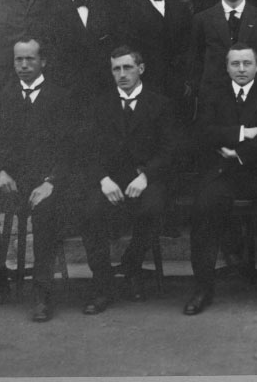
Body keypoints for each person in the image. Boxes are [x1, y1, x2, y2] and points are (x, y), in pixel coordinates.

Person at [0, 36, 77, 322]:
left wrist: (51, 181)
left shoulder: (61, 97)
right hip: (11, 180)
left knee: (45, 213)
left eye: (30, 59)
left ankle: (42, 293)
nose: (24, 65)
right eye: (19, 59)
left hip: (45, 181)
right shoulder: (4, 94)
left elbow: (70, 148)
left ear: (43, 61)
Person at [184, 44, 257, 317]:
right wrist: (244, 132)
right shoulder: (212, 96)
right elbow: (203, 133)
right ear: (227, 67)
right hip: (223, 173)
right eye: (235, 64)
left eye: (247, 63)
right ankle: (203, 287)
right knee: (203, 206)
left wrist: (238, 152)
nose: (242, 69)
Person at [78, 46, 179, 314]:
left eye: (127, 68)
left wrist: (147, 176)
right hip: (109, 180)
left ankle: (132, 265)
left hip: (145, 177)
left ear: (141, 69)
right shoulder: (99, 104)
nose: (122, 74)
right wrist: (102, 179)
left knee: (154, 208)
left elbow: (170, 150)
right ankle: (103, 284)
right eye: (116, 69)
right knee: (89, 211)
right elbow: (87, 149)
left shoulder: (160, 104)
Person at [118, 0, 193, 106]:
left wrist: (186, 80)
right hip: (146, 84)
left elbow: (189, 47)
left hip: (177, 87)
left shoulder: (180, 7)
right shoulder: (129, 8)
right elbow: (128, 49)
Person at [44, 0, 117, 99]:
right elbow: (51, 52)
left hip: (101, 88)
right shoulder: (54, 10)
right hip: (66, 89)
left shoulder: (107, 8)